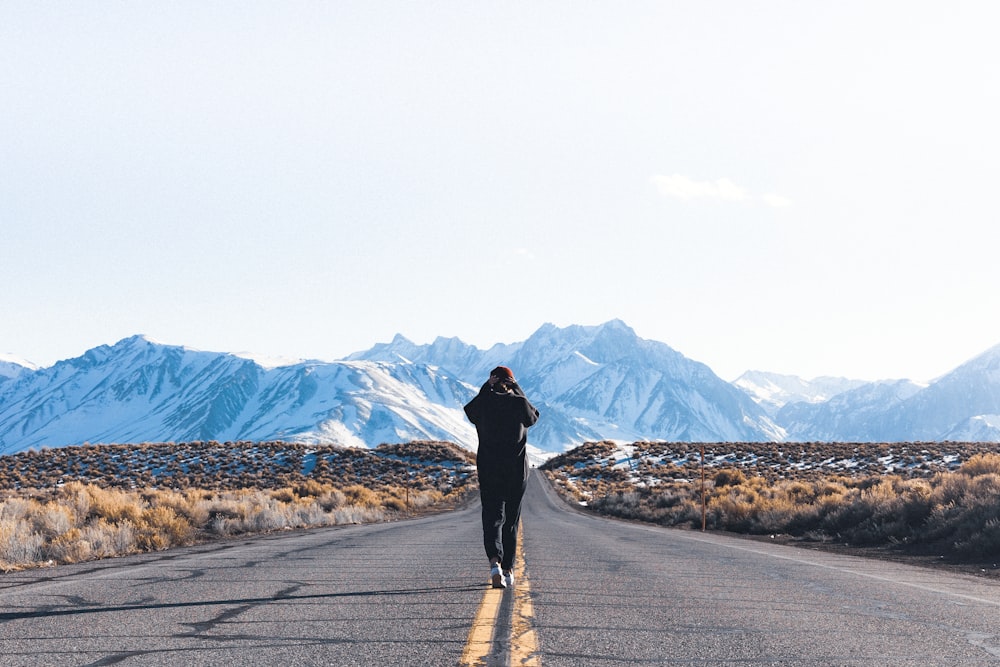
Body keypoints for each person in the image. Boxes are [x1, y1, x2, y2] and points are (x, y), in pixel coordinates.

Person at [464, 365, 540, 589]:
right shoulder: (518, 404)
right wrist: (518, 388)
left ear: (492, 382)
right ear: (512, 383)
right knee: (511, 521)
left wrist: (485, 388)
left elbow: (470, 411)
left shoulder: (484, 404)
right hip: (515, 473)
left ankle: (494, 563)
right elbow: (532, 416)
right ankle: (508, 569)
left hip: (489, 470)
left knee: (492, 518)